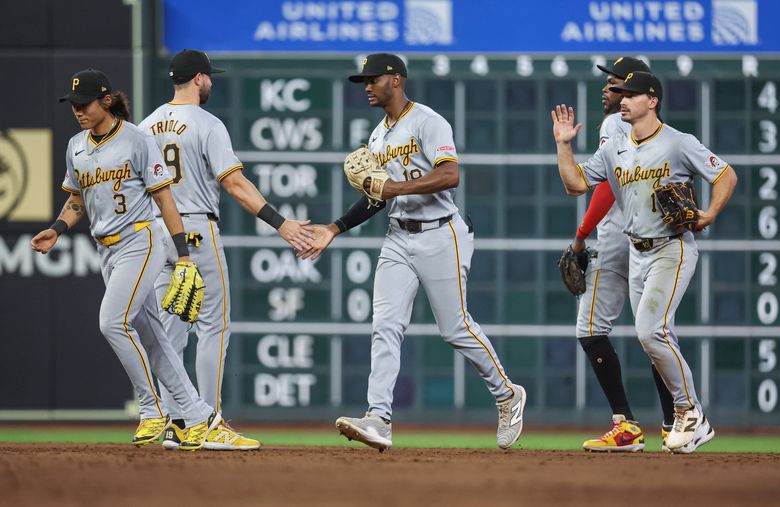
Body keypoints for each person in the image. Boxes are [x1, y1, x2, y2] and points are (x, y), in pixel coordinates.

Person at [299, 53, 526, 451]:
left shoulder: (427, 120)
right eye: (363, 81)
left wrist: (394, 188)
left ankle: (507, 394)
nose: (367, 86)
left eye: (373, 79)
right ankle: (379, 418)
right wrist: (334, 228)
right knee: (385, 325)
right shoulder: (377, 137)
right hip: (398, 237)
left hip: (442, 234)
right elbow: (376, 199)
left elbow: (450, 173)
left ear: (397, 79)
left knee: (455, 329)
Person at [31, 69, 221, 450]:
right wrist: (58, 227)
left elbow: (165, 199)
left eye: (84, 104)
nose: (78, 111)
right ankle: (197, 414)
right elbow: (76, 200)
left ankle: (152, 410)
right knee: (152, 335)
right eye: (73, 105)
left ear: (105, 100)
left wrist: (183, 256)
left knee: (112, 322)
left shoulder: (137, 139)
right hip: (107, 248)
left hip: (142, 239)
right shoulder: (76, 146)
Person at [551, 71, 737, 453]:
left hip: (672, 247)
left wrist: (711, 213)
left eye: (631, 95)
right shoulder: (613, 148)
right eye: (622, 94)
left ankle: (691, 414)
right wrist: (563, 145)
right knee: (653, 337)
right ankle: (679, 425)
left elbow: (725, 174)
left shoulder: (677, 143)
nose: (623, 99)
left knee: (651, 331)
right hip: (637, 252)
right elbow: (574, 185)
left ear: (652, 101)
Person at [139, 50, 314, 450]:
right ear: (199, 79)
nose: (211, 83)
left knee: (170, 332)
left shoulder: (145, 126)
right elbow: (234, 185)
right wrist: (281, 223)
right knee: (213, 326)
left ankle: (178, 423)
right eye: (209, 77)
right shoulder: (206, 123)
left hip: (157, 230)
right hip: (196, 228)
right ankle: (210, 421)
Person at [570, 57, 675, 453]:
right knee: (656, 335)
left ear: (639, 93)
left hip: (618, 236)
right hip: (650, 236)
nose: (607, 90)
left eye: (615, 85)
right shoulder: (655, 129)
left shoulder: (617, 124)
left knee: (592, 329)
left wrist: (581, 236)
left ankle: (626, 424)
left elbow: (606, 188)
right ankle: (674, 424)